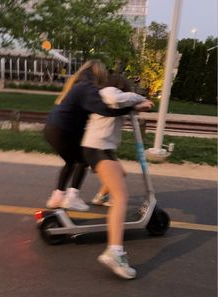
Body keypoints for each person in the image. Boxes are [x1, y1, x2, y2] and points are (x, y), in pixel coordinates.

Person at [81, 73, 154, 279]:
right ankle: (115, 252)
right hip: (99, 149)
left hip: (102, 148)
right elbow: (116, 99)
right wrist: (139, 98)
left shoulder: (110, 98)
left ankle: (101, 196)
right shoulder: (109, 92)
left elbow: (121, 105)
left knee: (121, 172)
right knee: (122, 198)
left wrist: (136, 107)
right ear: (121, 86)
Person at [44, 60, 138, 212]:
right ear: (99, 73)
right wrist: (130, 109)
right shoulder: (88, 87)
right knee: (83, 159)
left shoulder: (75, 84)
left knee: (70, 161)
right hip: (64, 130)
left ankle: (57, 197)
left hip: (51, 129)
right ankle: (72, 197)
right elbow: (104, 110)